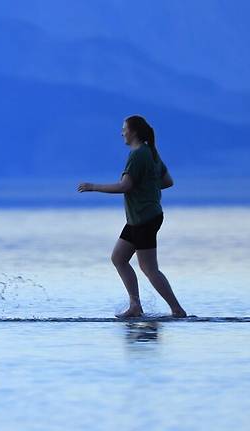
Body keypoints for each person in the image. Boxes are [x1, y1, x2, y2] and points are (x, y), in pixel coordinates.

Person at [77, 115, 187, 318]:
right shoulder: (151, 152)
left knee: (149, 268)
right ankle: (135, 305)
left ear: (133, 131)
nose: (121, 133)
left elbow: (125, 186)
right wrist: (146, 186)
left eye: (124, 128)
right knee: (118, 258)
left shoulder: (137, 155)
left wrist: (94, 187)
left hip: (144, 218)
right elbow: (167, 181)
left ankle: (177, 310)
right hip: (140, 218)